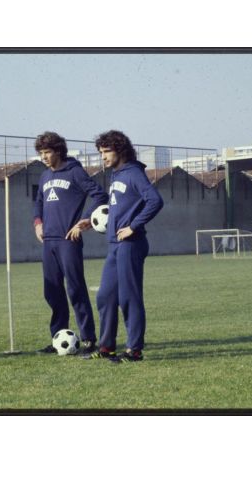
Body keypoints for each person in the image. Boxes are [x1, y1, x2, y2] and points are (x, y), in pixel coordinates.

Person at [84, 130, 163, 363]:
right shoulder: (116, 176)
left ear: (121, 150)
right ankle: (107, 347)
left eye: (107, 151)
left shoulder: (134, 173)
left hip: (131, 243)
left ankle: (134, 350)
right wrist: (91, 220)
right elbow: (118, 206)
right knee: (106, 297)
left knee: (129, 297)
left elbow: (155, 200)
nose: (103, 157)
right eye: (101, 152)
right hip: (115, 245)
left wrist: (134, 226)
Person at [33, 131, 108, 355]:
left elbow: (99, 195)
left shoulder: (75, 171)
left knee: (75, 288)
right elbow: (37, 203)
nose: (44, 157)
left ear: (58, 151)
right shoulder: (45, 176)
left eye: (47, 152)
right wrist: (38, 223)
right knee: (52, 291)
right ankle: (59, 338)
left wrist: (85, 220)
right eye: (41, 153)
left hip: (69, 240)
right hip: (49, 242)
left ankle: (88, 339)